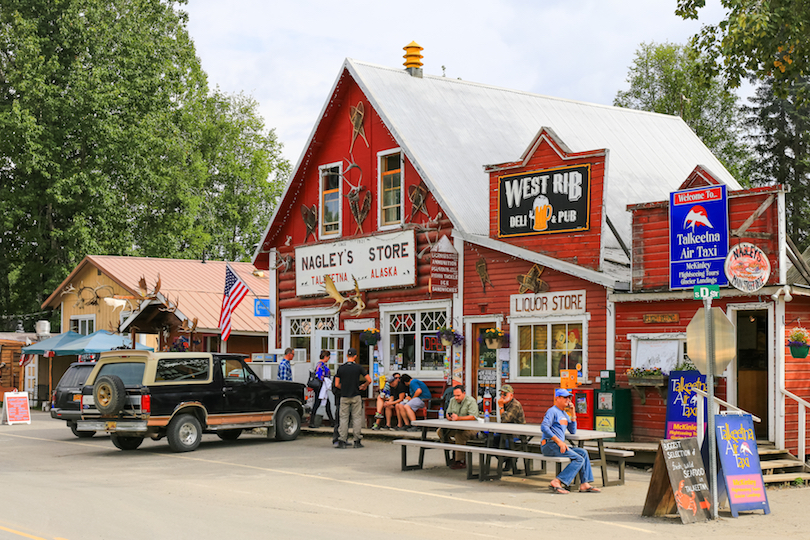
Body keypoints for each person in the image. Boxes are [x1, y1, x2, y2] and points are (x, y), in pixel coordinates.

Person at [540, 388, 601, 494]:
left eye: (569, 397)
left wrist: (573, 413)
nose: (568, 400)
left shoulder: (564, 413)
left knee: (583, 453)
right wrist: (558, 441)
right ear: (557, 398)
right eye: (565, 397)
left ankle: (584, 484)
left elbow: (572, 430)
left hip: (558, 445)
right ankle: (557, 481)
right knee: (578, 459)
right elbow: (544, 427)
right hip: (549, 445)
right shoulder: (552, 411)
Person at [334, 348, 371, 449]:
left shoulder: (341, 368)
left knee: (343, 418)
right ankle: (357, 440)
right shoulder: (358, 368)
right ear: (355, 356)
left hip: (344, 396)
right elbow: (369, 379)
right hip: (355, 394)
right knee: (357, 418)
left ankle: (342, 440)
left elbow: (336, 384)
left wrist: (344, 387)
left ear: (347, 356)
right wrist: (364, 385)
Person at [437, 385, 479, 469]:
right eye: (455, 395)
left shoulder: (471, 401)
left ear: (464, 393)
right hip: (455, 426)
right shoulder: (452, 400)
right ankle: (456, 450)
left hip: (471, 428)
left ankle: (460, 461)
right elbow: (448, 412)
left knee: (459, 435)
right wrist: (448, 416)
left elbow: (473, 417)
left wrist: (459, 418)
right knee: (441, 431)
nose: (456, 397)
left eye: (458, 395)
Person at [494, 384, 526, 471]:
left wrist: (500, 406)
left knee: (505, 442)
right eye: (501, 394)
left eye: (505, 394)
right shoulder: (505, 403)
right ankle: (506, 459)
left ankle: (509, 461)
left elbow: (505, 419)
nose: (502, 396)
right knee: (491, 440)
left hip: (517, 433)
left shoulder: (515, 405)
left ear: (511, 395)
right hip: (507, 431)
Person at [309, 350, 334, 427]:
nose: (328, 359)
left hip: (321, 387)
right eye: (328, 357)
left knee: (326, 403)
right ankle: (312, 422)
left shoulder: (319, 365)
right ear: (325, 357)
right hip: (320, 387)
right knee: (317, 403)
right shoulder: (321, 365)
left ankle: (332, 421)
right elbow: (320, 376)